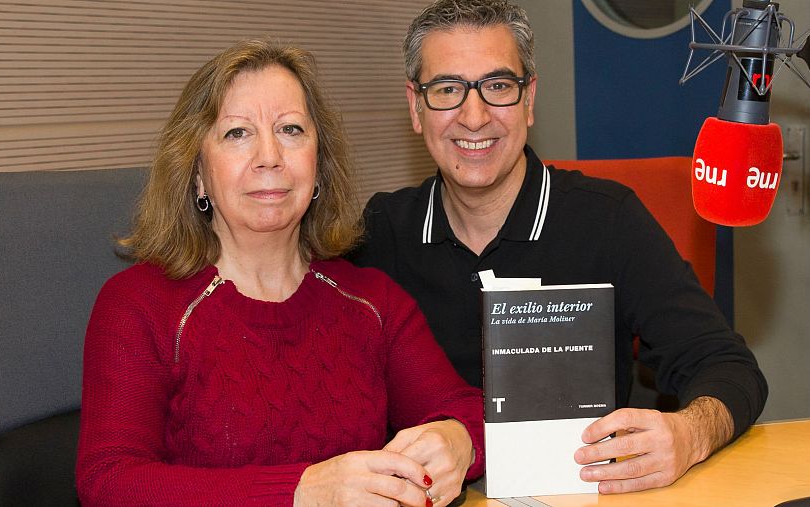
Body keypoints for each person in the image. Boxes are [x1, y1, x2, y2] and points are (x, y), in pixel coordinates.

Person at [348, 0, 767, 495]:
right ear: (415, 107)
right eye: (447, 89)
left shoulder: (607, 220)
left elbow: (729, 367)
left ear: (529, 99)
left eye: (497, 86)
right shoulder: (382, 232)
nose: (474, 116)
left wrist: (689, 433)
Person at [75, 40, 483, 507]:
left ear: (319, 166)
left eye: (290, 130)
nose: (269, 156)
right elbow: (109, 481)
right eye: (237, 133)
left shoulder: (372, 300)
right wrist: (303, 492)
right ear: (198, 173)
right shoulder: (139, 304)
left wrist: (458, 440)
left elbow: (468, 409)